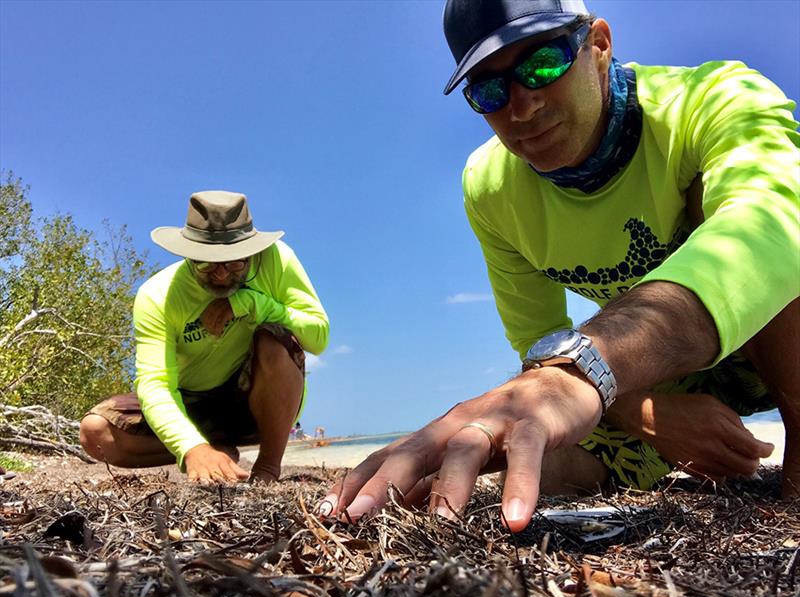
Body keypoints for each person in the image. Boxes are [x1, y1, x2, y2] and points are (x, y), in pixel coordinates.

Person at [320, 0, 799, 531]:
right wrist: (650, 419)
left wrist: (585, 367)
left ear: (598, 45)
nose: (521, 107)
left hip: (767, 329)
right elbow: (539, 343)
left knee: (722, 205)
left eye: (542, 64)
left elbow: (773, 225)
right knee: (548, 461)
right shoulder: (490, 188)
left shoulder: (711, 98)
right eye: (490, 90)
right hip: (663, 369)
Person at [80, 191, 329, 483]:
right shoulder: (157, 295)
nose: (221, 275)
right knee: (94, 433)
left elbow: (318, 337)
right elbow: (156, 383)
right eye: (206, 262)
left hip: (253, 403)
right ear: (187, 253)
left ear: (251, 251)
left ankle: (267, 467)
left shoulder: (277, 259)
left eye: (235, 262)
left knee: (274, 340)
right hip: (191, 404)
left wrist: (253, 304)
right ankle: (214, 451)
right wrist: (191, 447)